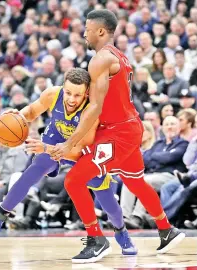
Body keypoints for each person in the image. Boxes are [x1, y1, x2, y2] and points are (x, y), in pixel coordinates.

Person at [50, 9, 185, 263]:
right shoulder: (119, 56)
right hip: (129, 127)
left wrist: (71, 141)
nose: (84, 34)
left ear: (101, 31)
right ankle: (166, 229)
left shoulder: (100, 59)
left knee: (74, 181)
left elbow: (95, 107)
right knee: (134, 182)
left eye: (88, 29)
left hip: (118, 133)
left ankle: (96, 239)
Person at [0, 68, 137, 258]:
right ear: (63, 87)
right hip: (55, 137)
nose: (72, 99)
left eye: (78, 95)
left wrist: (47, 148)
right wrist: (19, 117)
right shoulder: (52, 94)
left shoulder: (93, 109)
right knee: (31, 172)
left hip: (83, 151)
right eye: (68, 93)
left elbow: (76, 150)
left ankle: (121, 231)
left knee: (106, 199)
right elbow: (32, 110)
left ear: (87, 93)